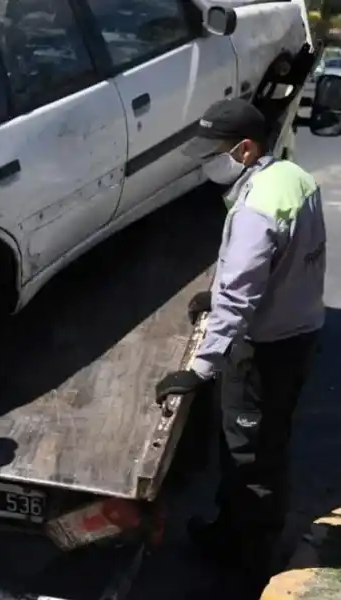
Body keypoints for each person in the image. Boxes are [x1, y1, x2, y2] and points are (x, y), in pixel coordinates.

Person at [154, 99, 326, 583]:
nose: (208, 161)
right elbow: (282, 262)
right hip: (299, 330)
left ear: (246, 149)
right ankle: (234, 531)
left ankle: (247, 558)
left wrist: (200, 369)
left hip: (265, 349)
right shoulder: (292, 178)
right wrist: (224, 288)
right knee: (267, 440)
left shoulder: (255, 209)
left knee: (249, 451)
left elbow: (238, 301)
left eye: (216, 151)